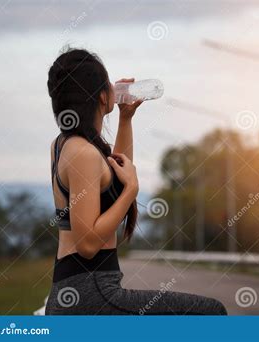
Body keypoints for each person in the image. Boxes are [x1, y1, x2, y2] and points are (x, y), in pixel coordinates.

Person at [44, 48, 227, 315]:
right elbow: (87, 244)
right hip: (90, 295)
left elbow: (115, 174)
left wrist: (125, 119)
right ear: (100, 95)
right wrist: (132, 190)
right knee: (210, 313)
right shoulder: (82, 153)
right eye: (107, 82)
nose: (112, 85)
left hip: (82, 292)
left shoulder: (64, 145)